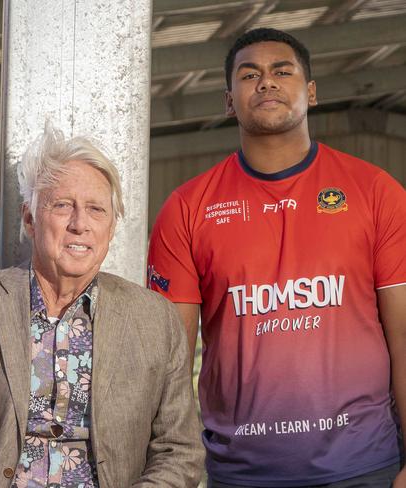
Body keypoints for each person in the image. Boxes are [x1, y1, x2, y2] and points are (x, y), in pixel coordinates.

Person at [148, 27, 406, 488]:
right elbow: (168, 365)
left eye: (281, 71)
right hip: (239, 474)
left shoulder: (375, 192)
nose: (266, 82)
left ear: (310, 91)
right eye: (250, 75)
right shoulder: (187, 208)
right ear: (229, 101)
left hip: (367, 468)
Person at [0, 125, 205, 487]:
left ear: (111, 227)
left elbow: (179, 450)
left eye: (96, 210)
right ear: (30, 219)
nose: (80, 224)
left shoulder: (155, 319)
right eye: (63, 205)